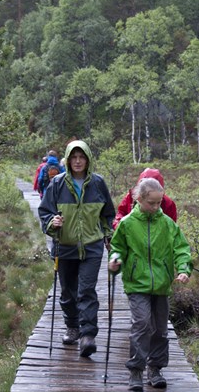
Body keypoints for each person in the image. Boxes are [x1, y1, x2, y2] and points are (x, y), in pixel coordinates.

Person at [108, 177, 192, 391]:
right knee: (142, 324)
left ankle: (155, 369)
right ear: (139, 199)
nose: (156, 207)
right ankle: (136, 370)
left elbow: (181, 248)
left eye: (159, 203)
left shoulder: (167, 224)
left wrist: (183, 269)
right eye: (151, 203)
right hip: (136, 284)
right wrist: (115, 259)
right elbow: (117, 247)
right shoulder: (127, 224)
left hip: (162, 285)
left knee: (160, 330)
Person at [38, 140, 115, 357]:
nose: (78, 161)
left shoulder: (98, 184)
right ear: (68, 160)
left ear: (88, 159)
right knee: (68, 293)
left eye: (82, 157)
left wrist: (108, 235)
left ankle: (88, 335)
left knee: (86, 291)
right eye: (74, 157)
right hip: (65, 246)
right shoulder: (57, 184)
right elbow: (44, 212)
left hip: (92, 247)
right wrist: (52, 223)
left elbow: (108, 214)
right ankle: (73, 327)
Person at [112, 168, 177, 229]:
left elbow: (171, 228)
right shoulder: (131, 197)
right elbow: (121, 213)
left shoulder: (168, 204)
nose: (155, 207)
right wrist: (120, 227)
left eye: (158, 202)